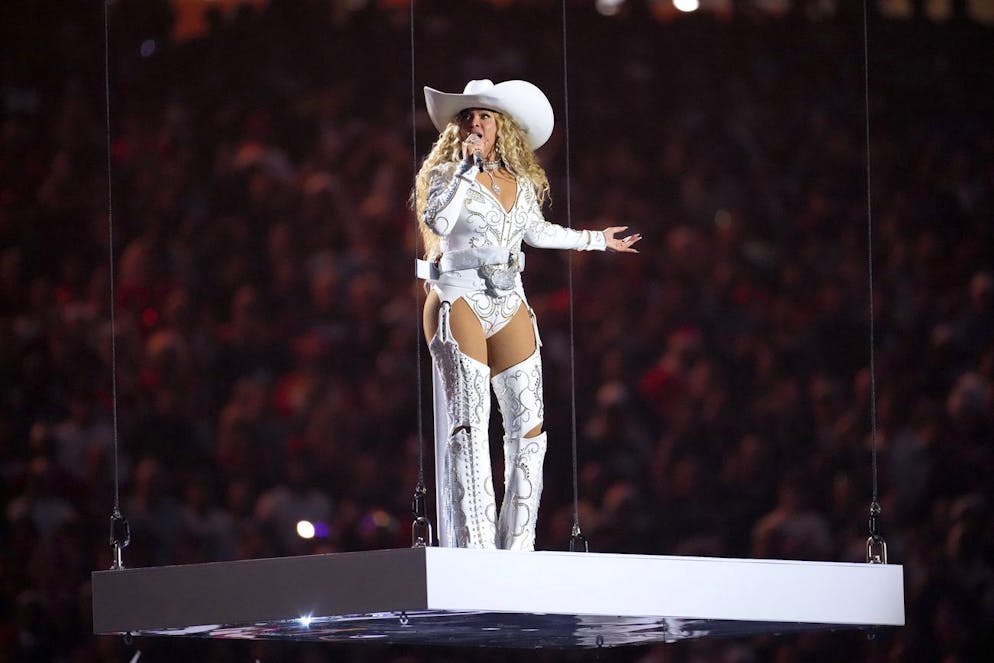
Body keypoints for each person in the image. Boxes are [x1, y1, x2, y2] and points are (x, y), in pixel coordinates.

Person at [413, 79, 641, 550]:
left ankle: (517, 546)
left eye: (486, 117)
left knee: (529, 425)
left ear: (502, 128)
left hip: (509, 297)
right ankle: (475, 547)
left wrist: (597, 239)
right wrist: (464, 173)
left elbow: (537, 232)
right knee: (469, 421)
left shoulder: (520, 182)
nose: (476, 124)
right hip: (459, 296)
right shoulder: (446, 178)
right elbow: (436, 222)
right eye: (469, 117)